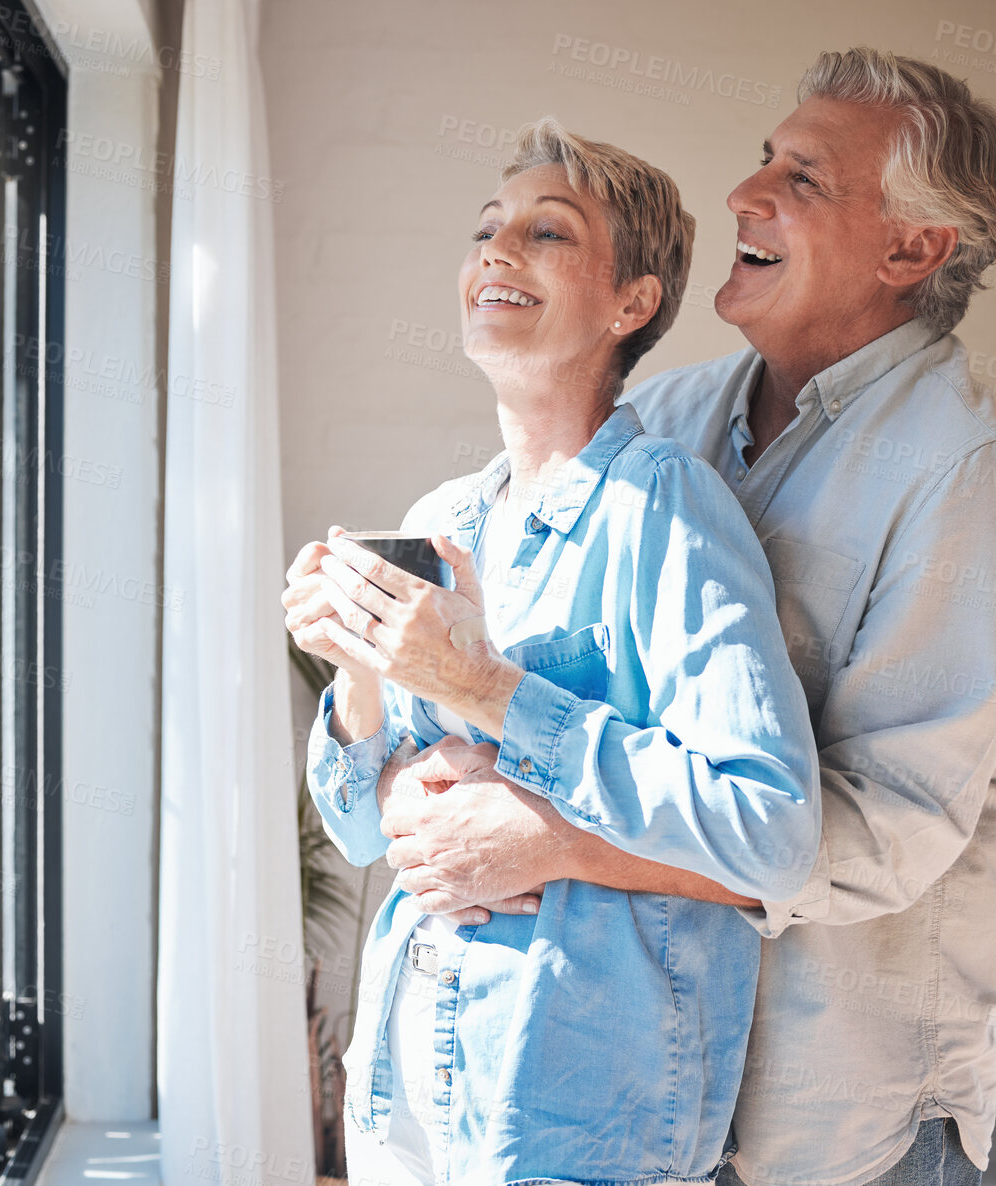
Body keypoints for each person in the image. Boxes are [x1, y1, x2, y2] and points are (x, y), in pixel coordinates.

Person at [378, 49, 996, 1186]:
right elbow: (547, 678)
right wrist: (418, 771)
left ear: (910, 248)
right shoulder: (667, 418)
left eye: (801, 179)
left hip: (843, 1124)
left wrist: (558, 841)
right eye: (762, 161)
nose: (745, 196)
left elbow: (887, 827)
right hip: (656, 1097)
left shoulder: (968, 473)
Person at [282, 119, 819, 1185]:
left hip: (577, 1132)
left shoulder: (662, 508)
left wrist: (478, 689)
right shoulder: (443, 518)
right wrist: (353, 664)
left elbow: (769, 827)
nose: (495, 250)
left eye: (544, 232)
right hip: (406, 1116)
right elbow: (354, 828)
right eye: (487, 229)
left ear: (631, 303)